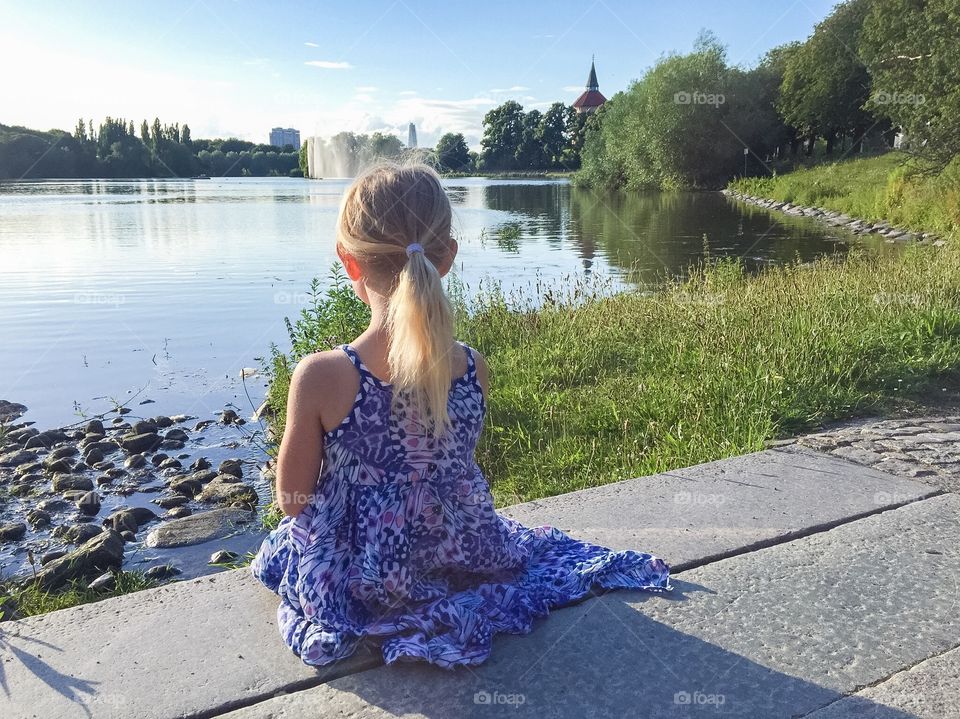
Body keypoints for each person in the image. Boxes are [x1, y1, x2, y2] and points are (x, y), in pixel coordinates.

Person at [251, 161, 670, 668]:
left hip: (365, 577)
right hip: (466, 554)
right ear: (447, 256)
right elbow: (445, 472)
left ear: (349, 261)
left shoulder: (322, 376)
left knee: (277, 552)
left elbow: (291, 501)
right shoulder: (472, 367)